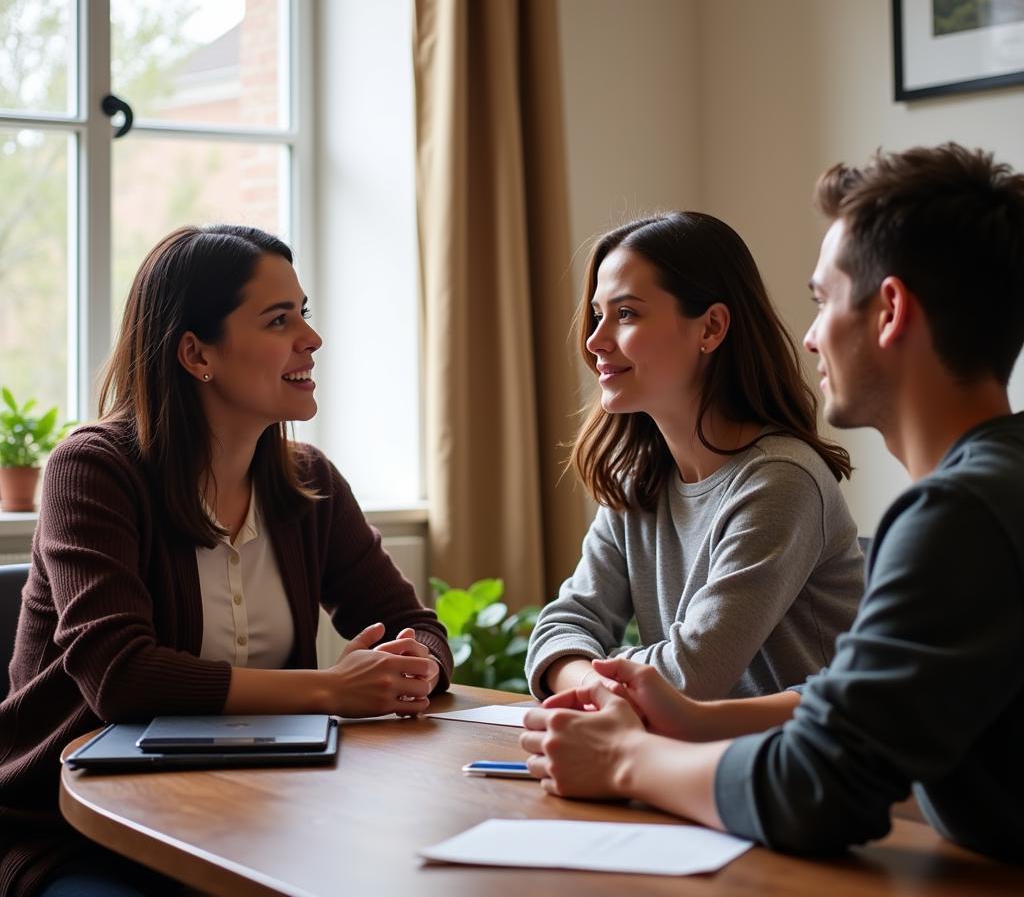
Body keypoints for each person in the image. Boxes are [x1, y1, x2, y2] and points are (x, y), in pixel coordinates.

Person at [520, 143, 1024, 865]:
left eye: (821, 300)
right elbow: (851, 701)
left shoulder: (961, 514)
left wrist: (624, 760)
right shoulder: (991, 489)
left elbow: (818, 784)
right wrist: (688, 719)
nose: (811, 335)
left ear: (889, 312)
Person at [0, 225, 454, 897]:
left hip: (265, 815)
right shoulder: (93, 469)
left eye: (304, 312)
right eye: (279, 319)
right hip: (81, 832)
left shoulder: (309, 482)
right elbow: (120, 677)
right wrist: (331, 690)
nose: (311, 337)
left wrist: (414, 664)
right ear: (195, 353)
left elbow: (411, 620)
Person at [525, 211, 863, 702]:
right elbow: (560, 628)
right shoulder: (636, 479)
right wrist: (601, 685)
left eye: (626, 314)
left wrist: (587, 680)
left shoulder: (780, 481)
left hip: (793, 770)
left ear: (711, 327)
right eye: (598, 315)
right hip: (685, 759)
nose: (595, 341)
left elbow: (691, 676)